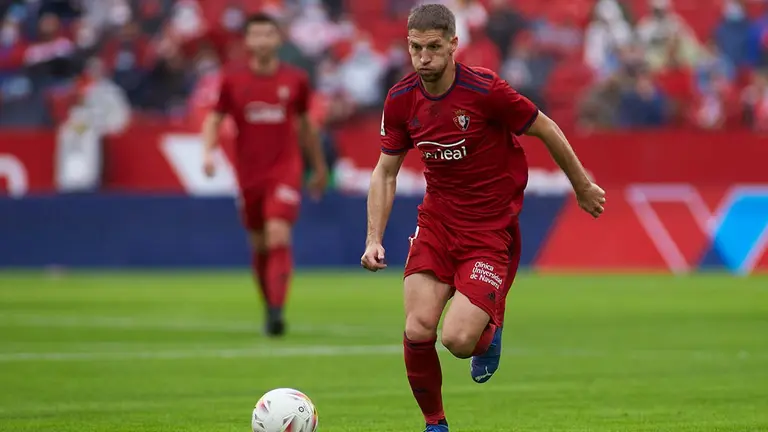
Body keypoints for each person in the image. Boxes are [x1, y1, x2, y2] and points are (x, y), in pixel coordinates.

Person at [360, 4, 605, 431]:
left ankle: (490, 327)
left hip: (489, 230)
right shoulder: (401, 98)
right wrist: (373, 238)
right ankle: (435, 424)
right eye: (416, 48)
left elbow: (545, 127)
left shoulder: (485, 90)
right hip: (436, 222)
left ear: (453, 44)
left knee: (457, 341)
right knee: (418, 327)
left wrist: (582, 185)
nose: (424, 58)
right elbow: (385, 171)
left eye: (433, 47)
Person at [202, 13, 328, 337]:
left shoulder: (295, 79)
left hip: (285, 170)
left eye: (268, 34)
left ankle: (277, 312)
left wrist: (317, 166)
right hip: (249, 175)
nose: (262, 41)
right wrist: (208, 153)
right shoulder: (232, 80)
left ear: (278, 39)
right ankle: (269, 304)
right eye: (256, 35)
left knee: (277, 235)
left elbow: (304, 126)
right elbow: (214, 119)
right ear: (246, 41)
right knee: (259, 245)